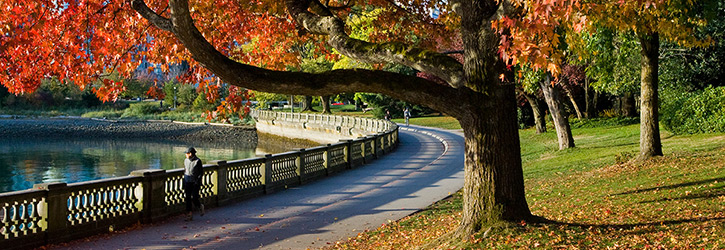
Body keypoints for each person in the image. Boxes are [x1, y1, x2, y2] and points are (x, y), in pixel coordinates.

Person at [183, 147, 204, 221]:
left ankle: (199, 206)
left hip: (195, 182)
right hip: (187, 181)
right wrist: (184, 181)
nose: (186, 155)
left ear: (191, 153)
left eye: (187, 153)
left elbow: (201, 173)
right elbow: (185, 171)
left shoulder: (198, 161)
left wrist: (197, 181)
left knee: (194, 197)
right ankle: (189, 215)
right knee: (187, 198)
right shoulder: (185, 160)